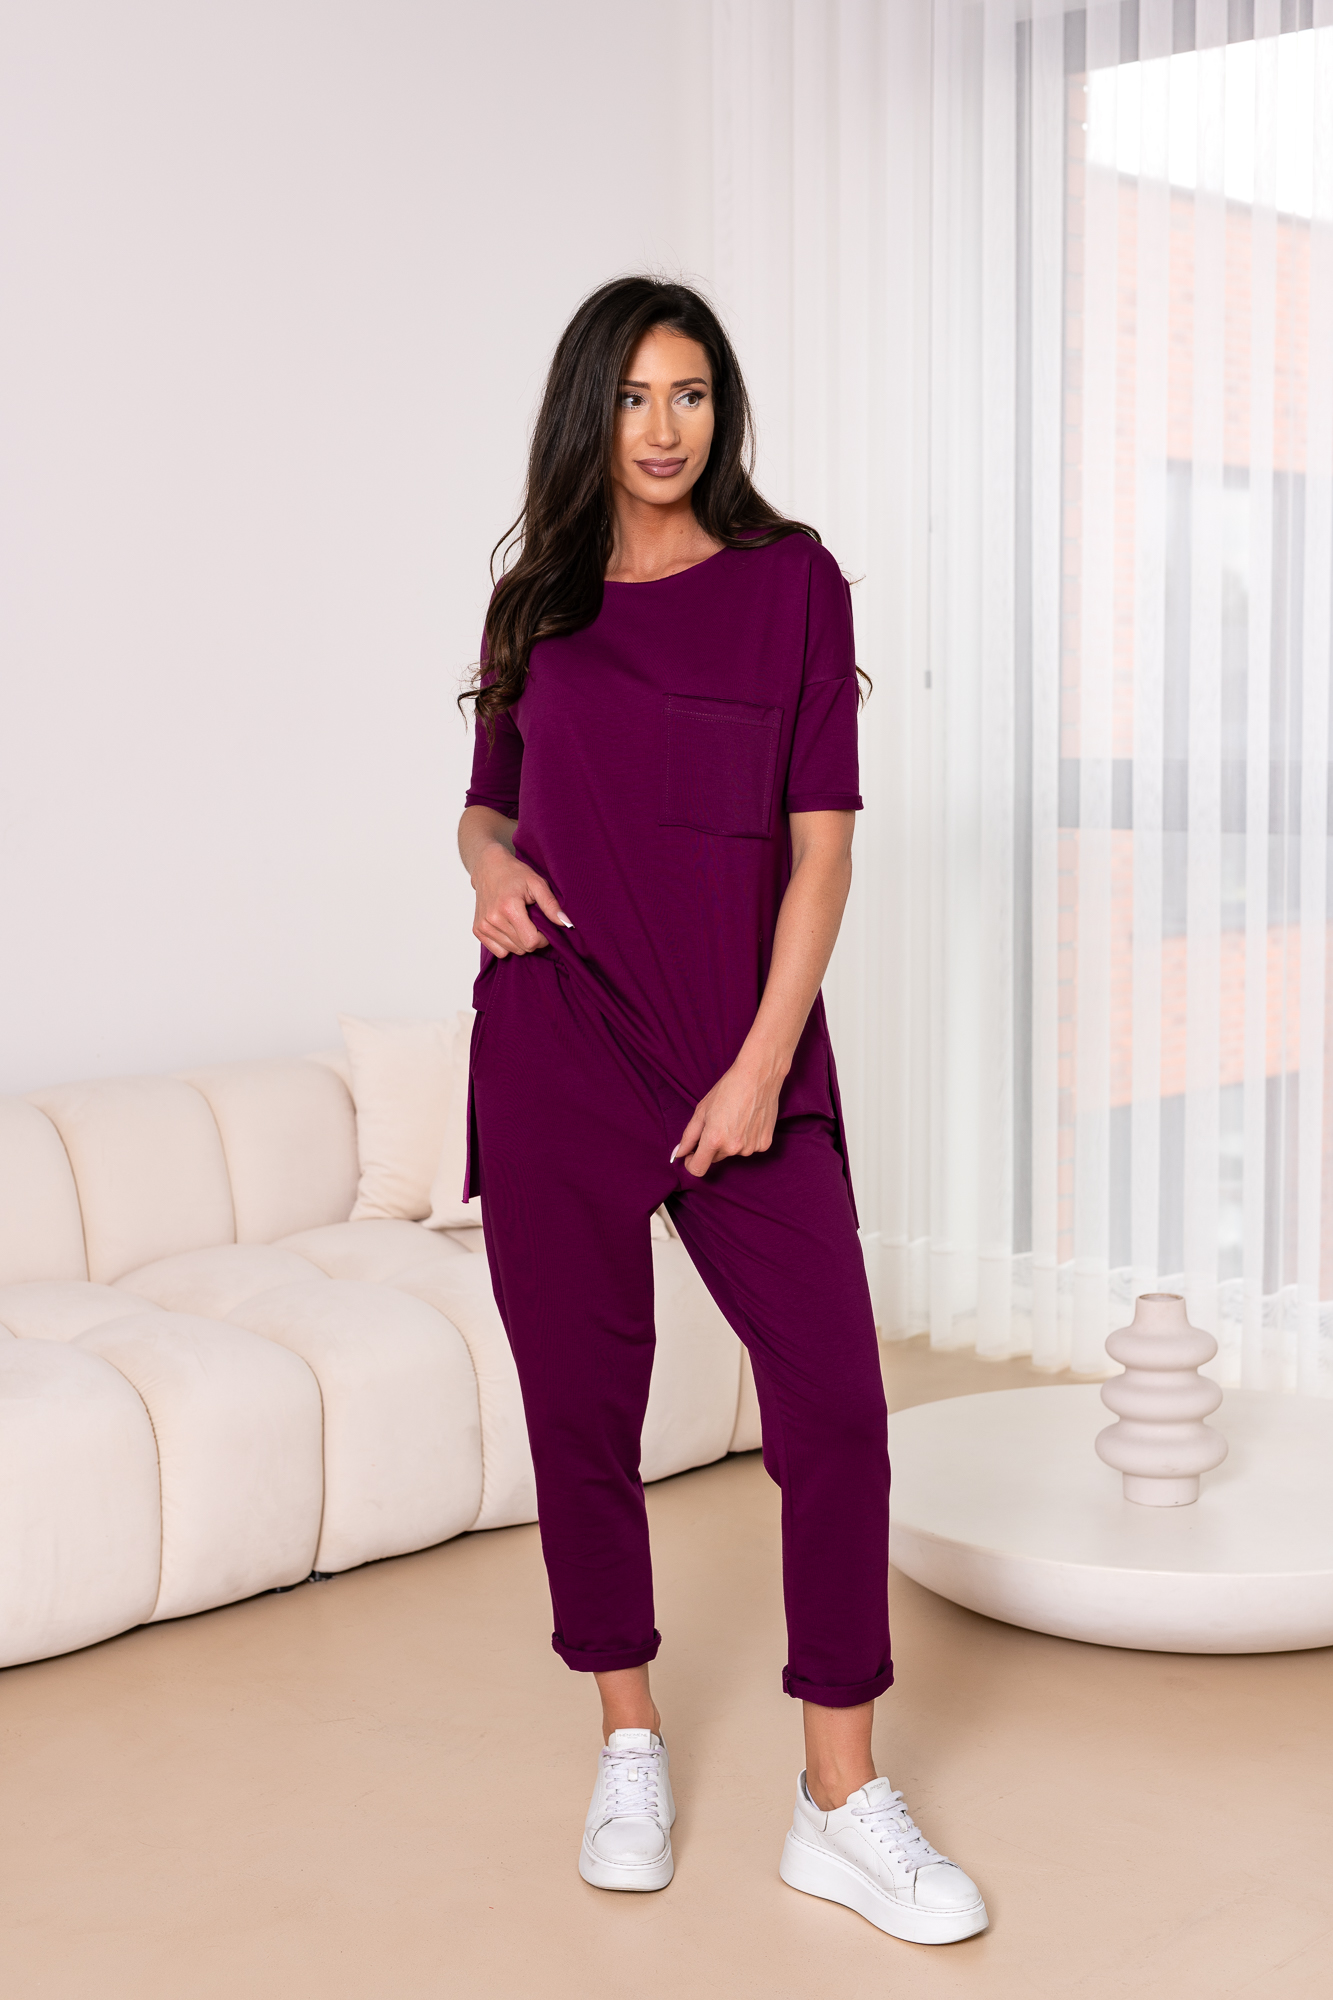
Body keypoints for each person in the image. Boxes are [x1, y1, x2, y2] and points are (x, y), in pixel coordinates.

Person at [456, 276, 986, 1947]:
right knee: (580, 1412)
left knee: (832, 1407)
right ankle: (627, 1740)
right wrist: (485, 873)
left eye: (688, 393)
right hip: (555, 1047)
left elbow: (821, 849)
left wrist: (760, 1066)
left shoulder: (790, 582)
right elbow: (485, 811)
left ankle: (839, 1798)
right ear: (587, 414)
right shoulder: (536, 602)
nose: (663, 426)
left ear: (722, 408)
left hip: (741, 1059)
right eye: (631, 396)